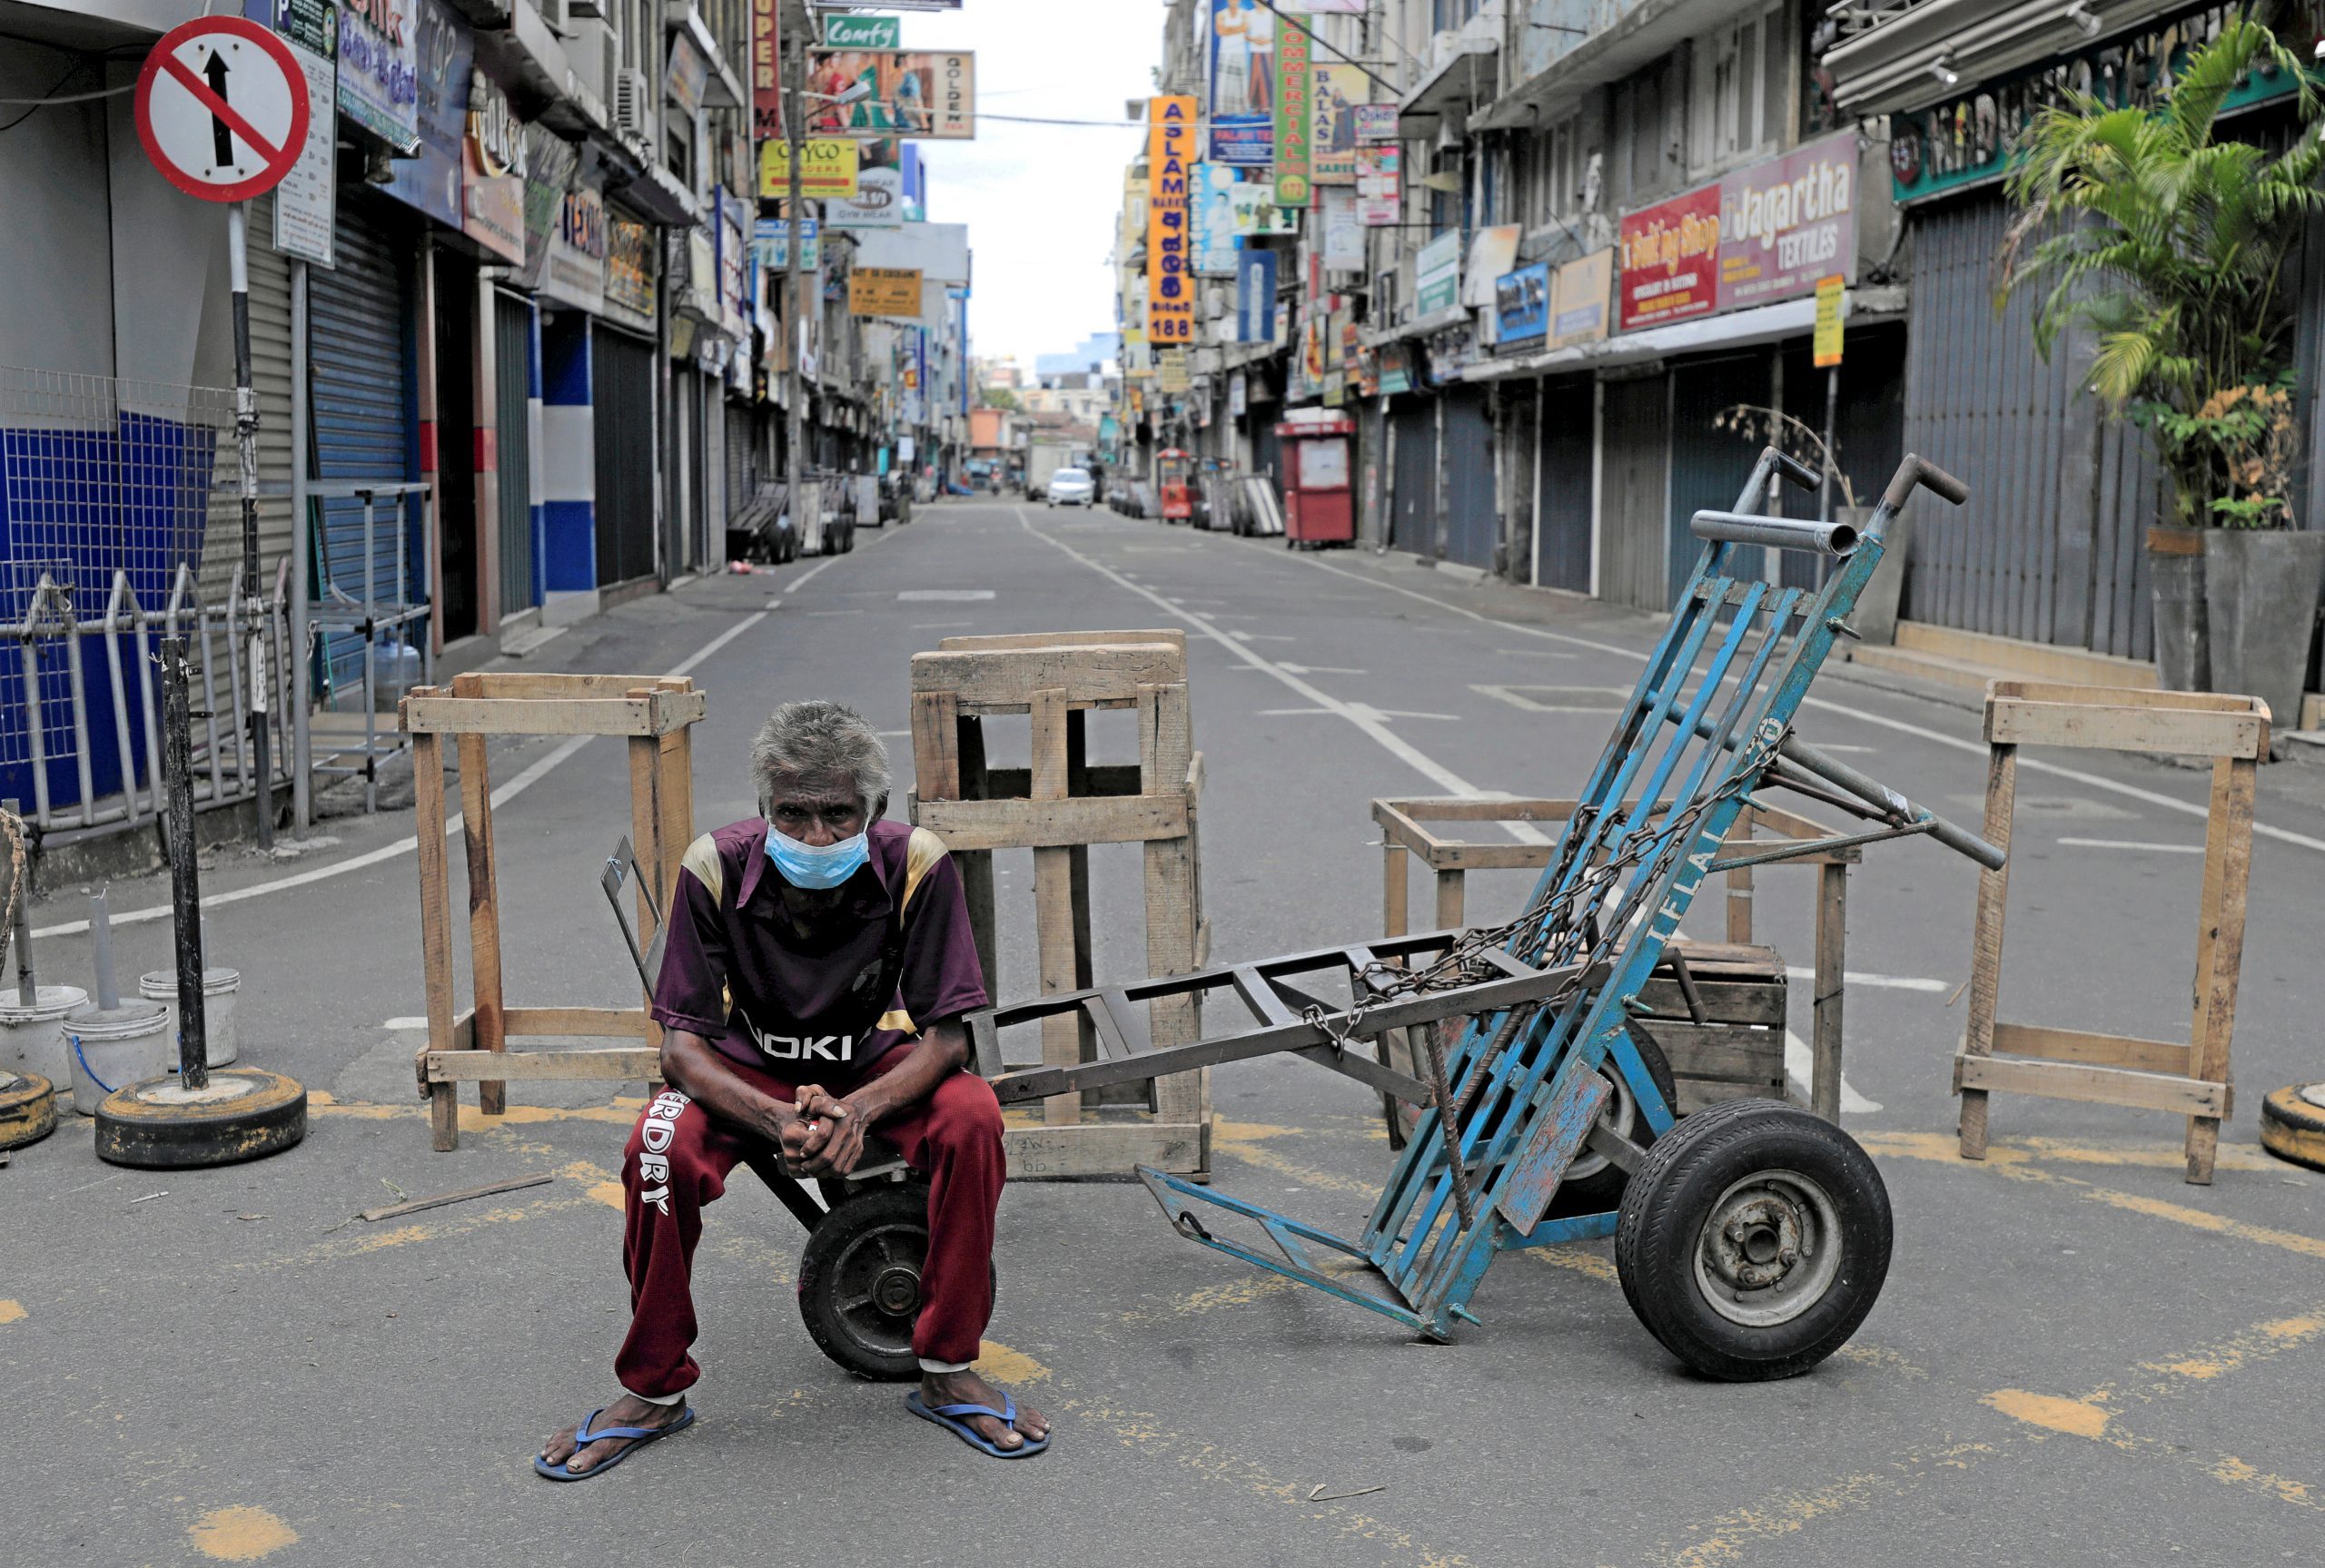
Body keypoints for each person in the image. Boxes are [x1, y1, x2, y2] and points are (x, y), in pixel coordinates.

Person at [537, 704, 1049, 1478]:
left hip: (873, 1064)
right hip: (749, 1072)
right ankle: (653, 1385)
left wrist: (861, 1109)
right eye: (793, 813)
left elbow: (949, 1034)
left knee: (973, 1116)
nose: (815, 835)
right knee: (655, 1147)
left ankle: (947, 1366)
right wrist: (774, 1114)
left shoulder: (919, 863)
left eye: (837, 813)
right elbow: (684, 1046)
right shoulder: (715, 866)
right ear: (765, 809)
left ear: (873, 810)